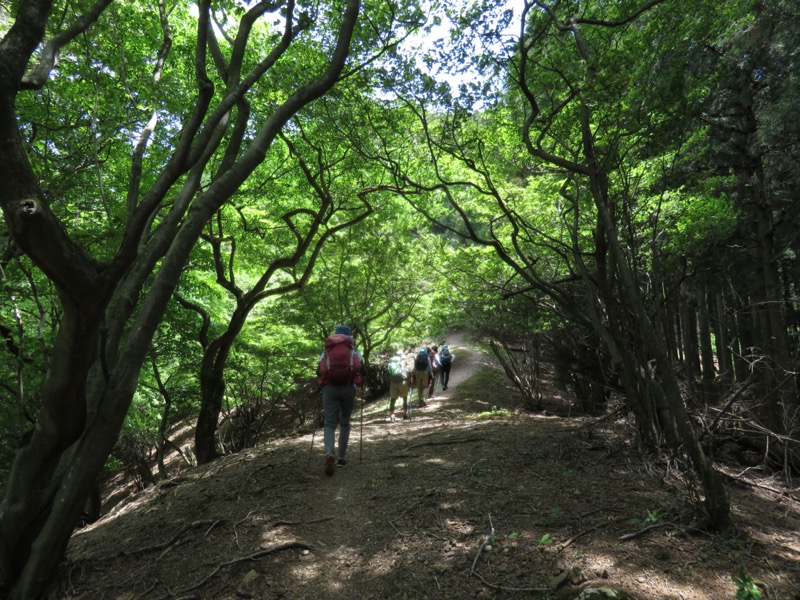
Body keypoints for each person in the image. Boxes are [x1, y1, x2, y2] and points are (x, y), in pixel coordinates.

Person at [317, 325, 364, 476]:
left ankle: (329, 452)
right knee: (345, 422)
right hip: (348, 388)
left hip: (330, 389)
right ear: (349, 336)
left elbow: (319, 371)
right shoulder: (352, 348)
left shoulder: (327, 349)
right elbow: (362, 369)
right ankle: (342, 457)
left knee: (329, 423)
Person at [387, 350, 410, 421]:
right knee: (405, 398)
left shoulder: (391, 362)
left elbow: (388, 373)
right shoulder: (402, 361)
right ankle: (405, 414)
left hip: (393, 382)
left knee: (393, 399)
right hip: (403, 382)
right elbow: (407, 371)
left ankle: (392, 415)